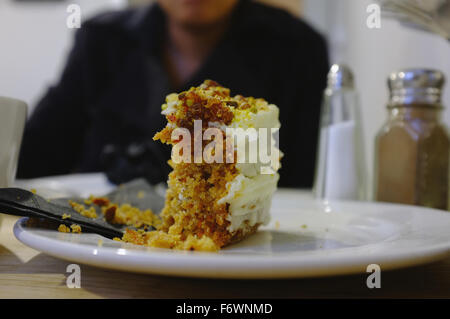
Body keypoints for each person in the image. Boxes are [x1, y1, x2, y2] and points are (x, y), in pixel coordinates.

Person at [17, 0, 329, 188]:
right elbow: (35, 152)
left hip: (251, 262)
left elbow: (309, 184)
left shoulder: (297, 50)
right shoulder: (102, 41)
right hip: (106, 251)